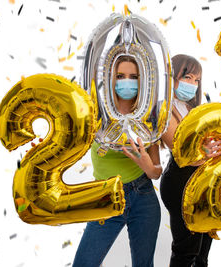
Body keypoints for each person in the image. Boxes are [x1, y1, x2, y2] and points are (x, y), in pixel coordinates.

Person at [72, 55, 162, 267]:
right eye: (121, 76)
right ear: (111, 77)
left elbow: (156, 171)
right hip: (105, 196)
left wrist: (147, 165)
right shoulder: (95, 111)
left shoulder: (148, 115)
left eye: (133, 77)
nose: (127, 82)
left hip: (143, 197)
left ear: (142, 80)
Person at [159, 54, 221, 267]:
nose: (193, 85)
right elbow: (181, 152)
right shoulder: (165, 111)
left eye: (197, 80)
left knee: (202, 250)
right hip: (180, 183)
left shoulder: (191, 109)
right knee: (186, 249)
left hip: (200, 182)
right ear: (173, 77)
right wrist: (205, 152)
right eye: (187, 77)